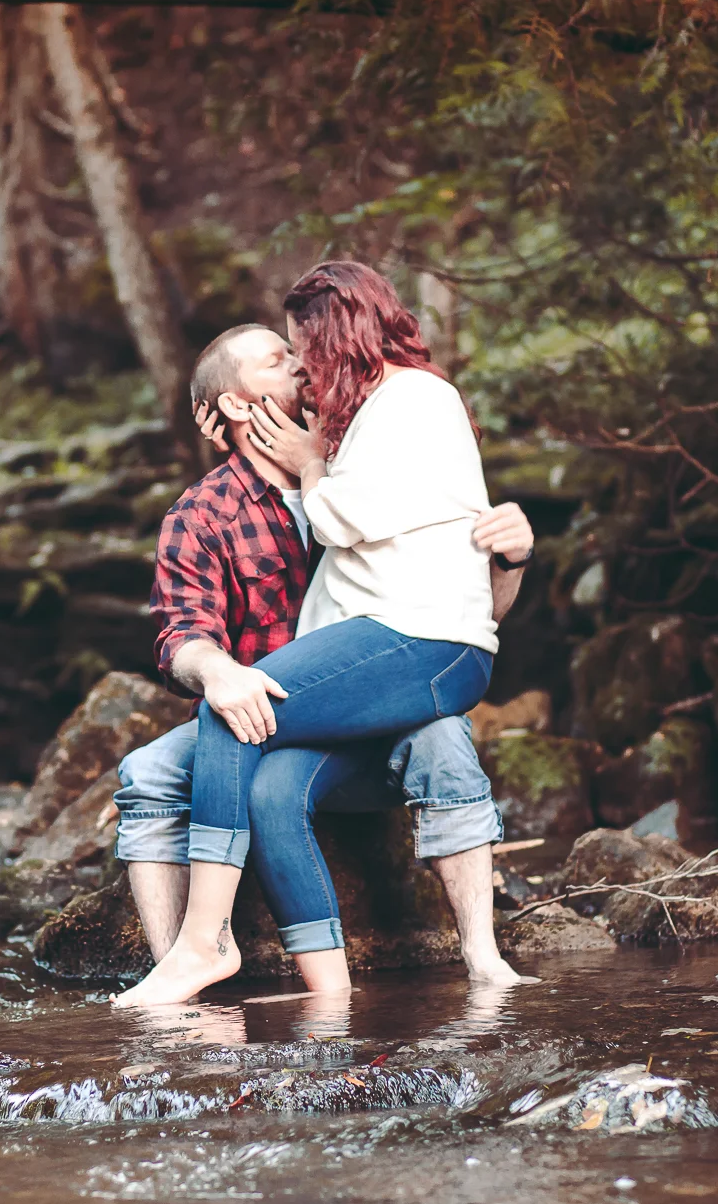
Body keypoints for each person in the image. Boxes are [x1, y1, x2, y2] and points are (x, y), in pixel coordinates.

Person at [114, 262, 519, 1007]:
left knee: (438, 737)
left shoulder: (362, 439)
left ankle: (482, 957)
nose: (301, 365)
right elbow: (182, 634)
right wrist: (220, 671)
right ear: (238, 402)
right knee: (202, 744)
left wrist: (514, 557)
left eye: (301, 350)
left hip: (376, 680)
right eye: (279, 359)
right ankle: (318, 998)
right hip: (293, 713)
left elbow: (462, 607)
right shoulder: (207, 512)